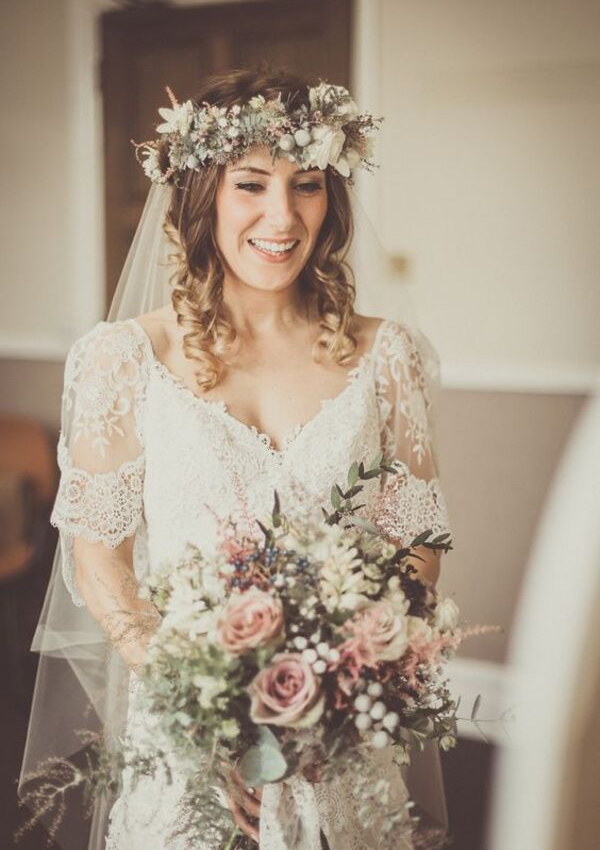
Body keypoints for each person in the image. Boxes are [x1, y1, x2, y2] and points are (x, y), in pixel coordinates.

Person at [19, 65, 451, 850]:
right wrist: (203, 709)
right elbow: (100, 559)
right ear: (202, 196)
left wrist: (343, 679)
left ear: (331, 198)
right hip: (188, 735)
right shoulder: (123, 359)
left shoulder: (389, 357)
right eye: (250, 184)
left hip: (340, 737)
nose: (282, 215)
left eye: (307, 185)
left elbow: (416, 545)